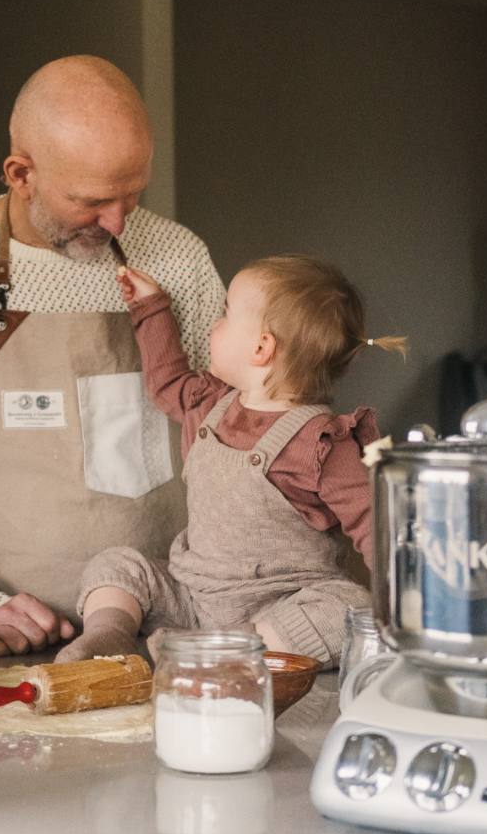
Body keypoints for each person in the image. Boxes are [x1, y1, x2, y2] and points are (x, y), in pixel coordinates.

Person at [0, 56, 226, 656]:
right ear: (20, 173)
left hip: (175, 634)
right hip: (12, 648)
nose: (116, 221)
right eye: (92, 200)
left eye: (133, 196)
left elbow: (230, 439)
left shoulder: (179, 258)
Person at [57, 255, 407, 669]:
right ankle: (108, 637)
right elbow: (168, 381)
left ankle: (215, 650)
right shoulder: (210, 405)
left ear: (261, 348)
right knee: (118, 564)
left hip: (279, 610)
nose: (213, 325)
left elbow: (379, 529)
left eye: (225, 314)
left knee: (347, 608)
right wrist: (151, 308)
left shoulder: (323, 444)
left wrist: (409, 606)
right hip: (191, 597)